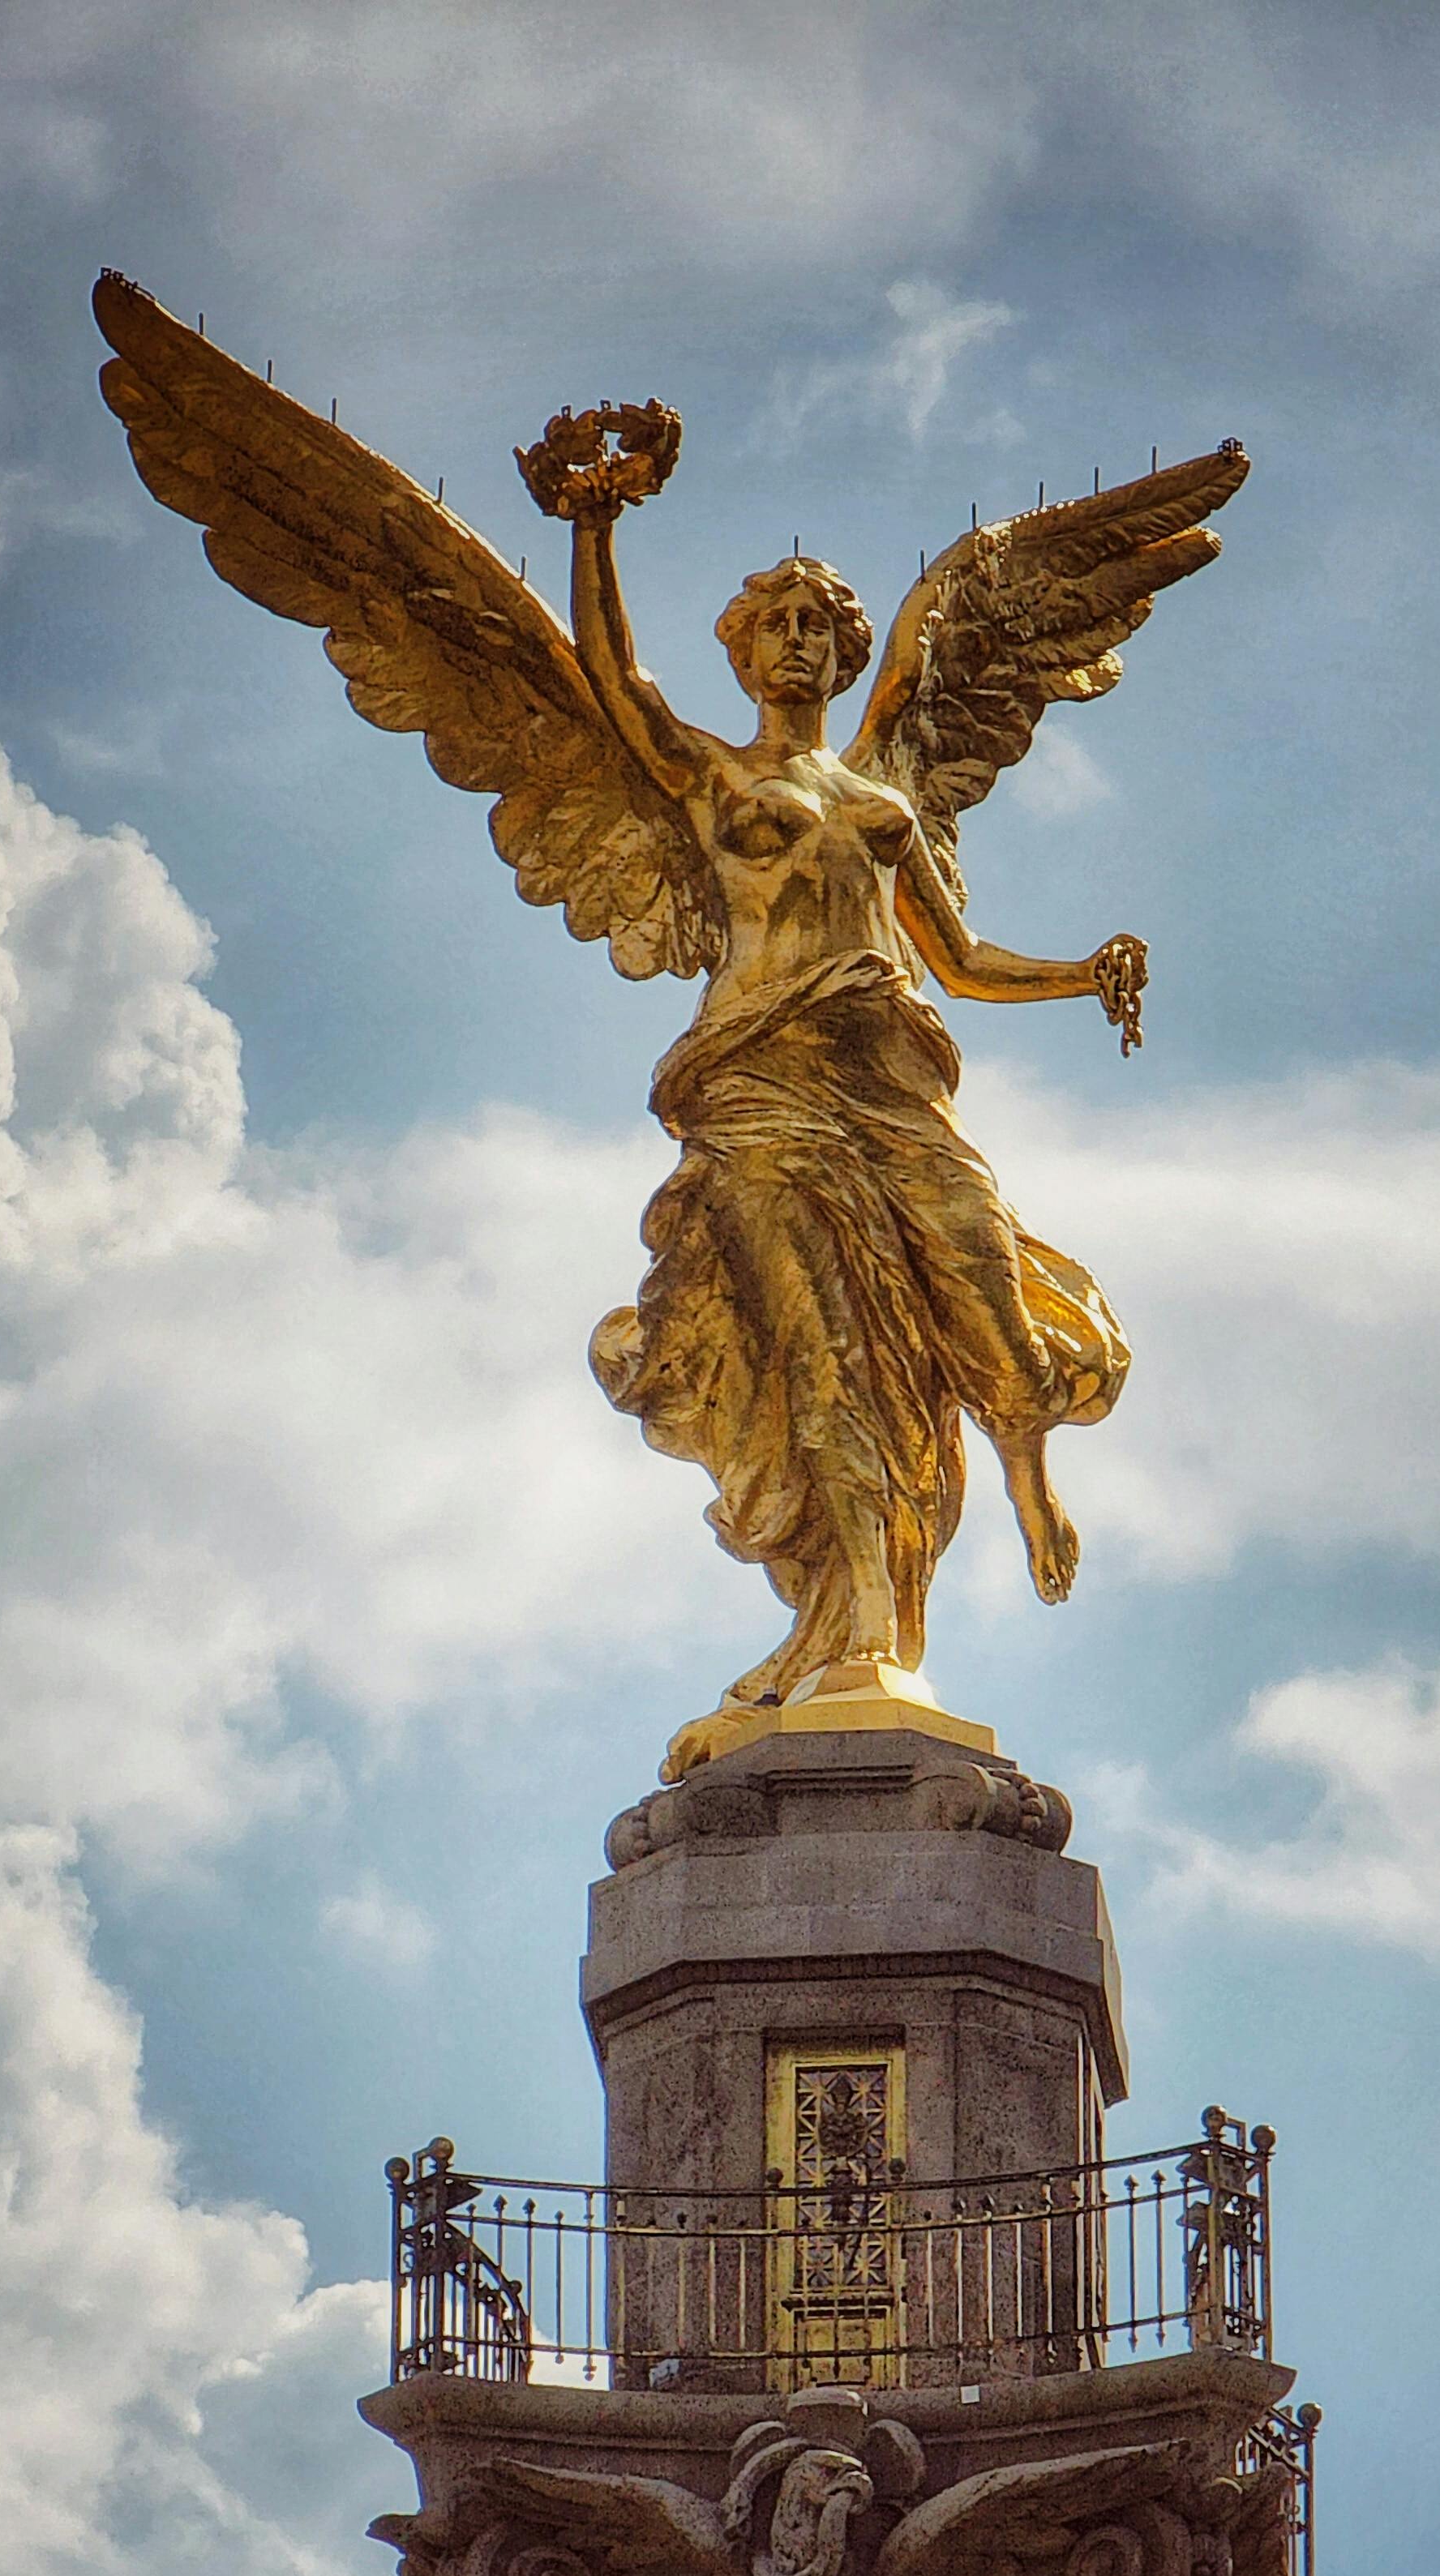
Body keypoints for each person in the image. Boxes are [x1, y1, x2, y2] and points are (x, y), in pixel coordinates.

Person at [570, 522, 1142, 1776]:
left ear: (848, 649)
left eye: (822, 624)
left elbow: (959, 962)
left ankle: (1027, 1463)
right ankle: (868, 1634)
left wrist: (1079, 976)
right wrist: (594, 520)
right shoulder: (715, 781)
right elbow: (616, 685)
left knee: (991, 1297)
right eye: (775, 621)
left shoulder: (883, 798)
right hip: (765, 1093)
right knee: (834, 1366)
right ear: (739, 650)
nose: (800, 641)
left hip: (894, 1092)